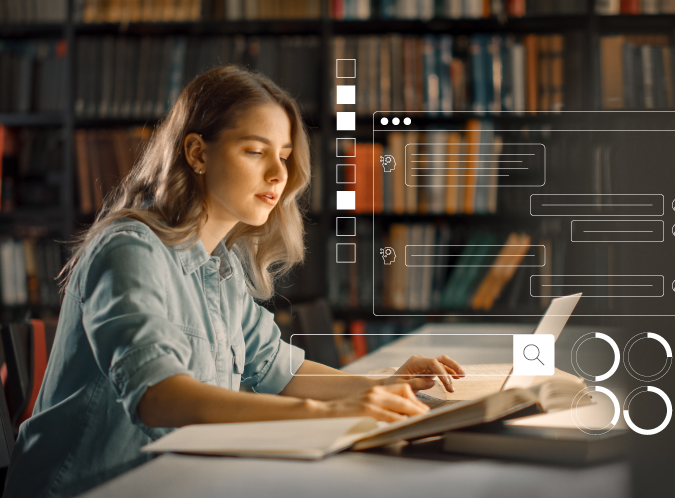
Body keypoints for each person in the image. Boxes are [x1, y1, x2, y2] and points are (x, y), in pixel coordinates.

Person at [3, 66, 465, 498]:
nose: (279, 174)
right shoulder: (129, 250)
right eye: (255, 151)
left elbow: (279, 372)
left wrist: (380, 384)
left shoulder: (217, 267)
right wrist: (324, 417)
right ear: (197, 153)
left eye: (283, 156)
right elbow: (158, 396)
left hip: (173, 482)